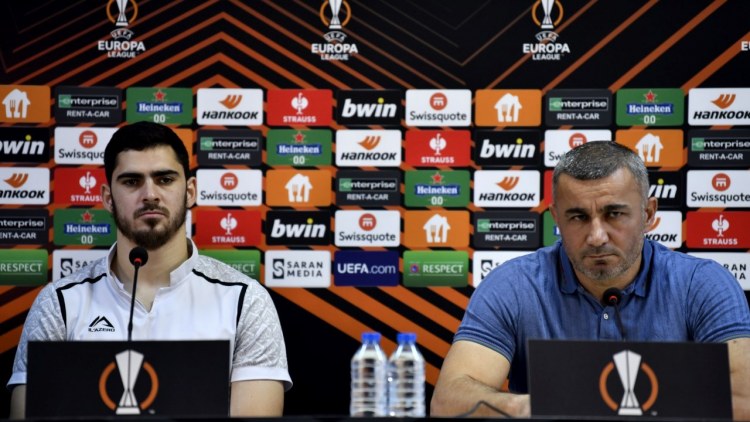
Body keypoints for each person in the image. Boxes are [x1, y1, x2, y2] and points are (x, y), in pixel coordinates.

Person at [431, 141, 750, 419]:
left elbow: (745, 401)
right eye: (578, 217)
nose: (597, 237)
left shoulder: (702, 284)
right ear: (556, 218)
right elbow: (448, 401)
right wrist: (535, 408)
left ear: (648, 214)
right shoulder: (512, 285)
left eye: (614, 214)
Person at [7, 122, 291, 418]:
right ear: (107, 198)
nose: (150, 194)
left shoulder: (245, 301)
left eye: (165, 179)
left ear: (190, 191)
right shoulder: (60, 303)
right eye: (132, 181)